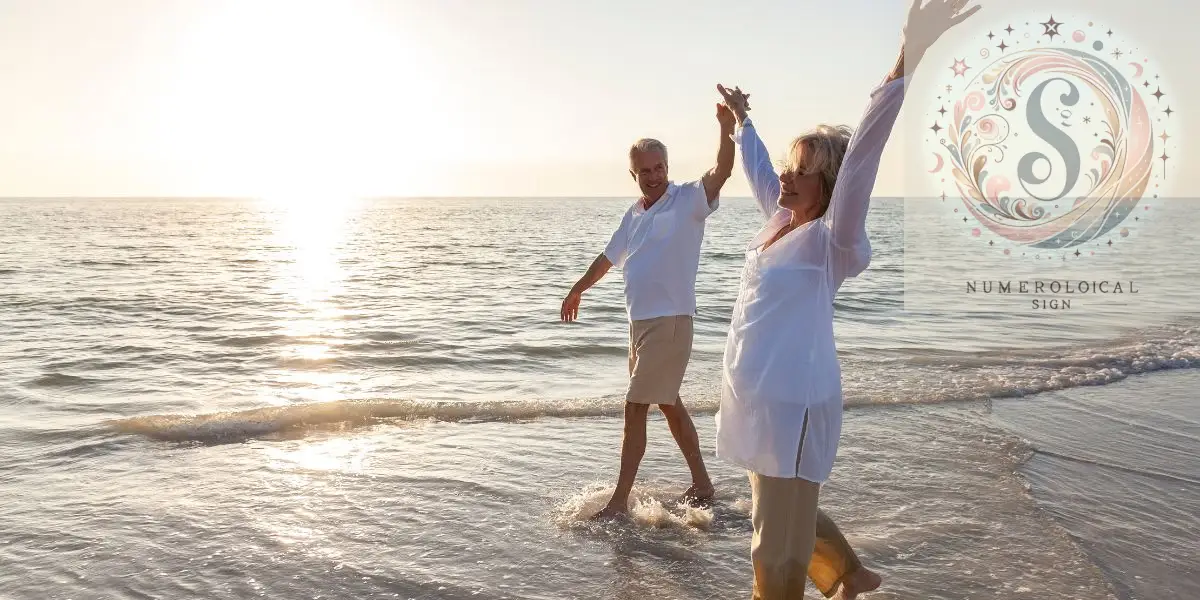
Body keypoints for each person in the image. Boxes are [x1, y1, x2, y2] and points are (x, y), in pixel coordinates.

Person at [713, 0, 982, 598]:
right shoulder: (781, 222)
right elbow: (759, 172)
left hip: (796, 405)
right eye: (790, 167)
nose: (786, 178)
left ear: (829, 185)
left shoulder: (829, 240)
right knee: (782, 510)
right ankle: (852, 575)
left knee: (773, 544)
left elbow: (863, 155)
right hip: (760, 399)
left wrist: (905, 58)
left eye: (801, 170)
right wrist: (742, 121)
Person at [560, 103, 736, 520]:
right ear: (634, 175)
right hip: (639, 326)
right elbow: (607, 259)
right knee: (669, 403)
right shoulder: (633, 214)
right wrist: (577, 290)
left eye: (660, 167)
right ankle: (703, 483)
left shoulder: (688, 200)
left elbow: (722, 170)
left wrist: (726, 128)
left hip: (671, 322)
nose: (654, 176)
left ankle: (619, 501)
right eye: (646, 171)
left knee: (635, 405)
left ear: (667, 167)